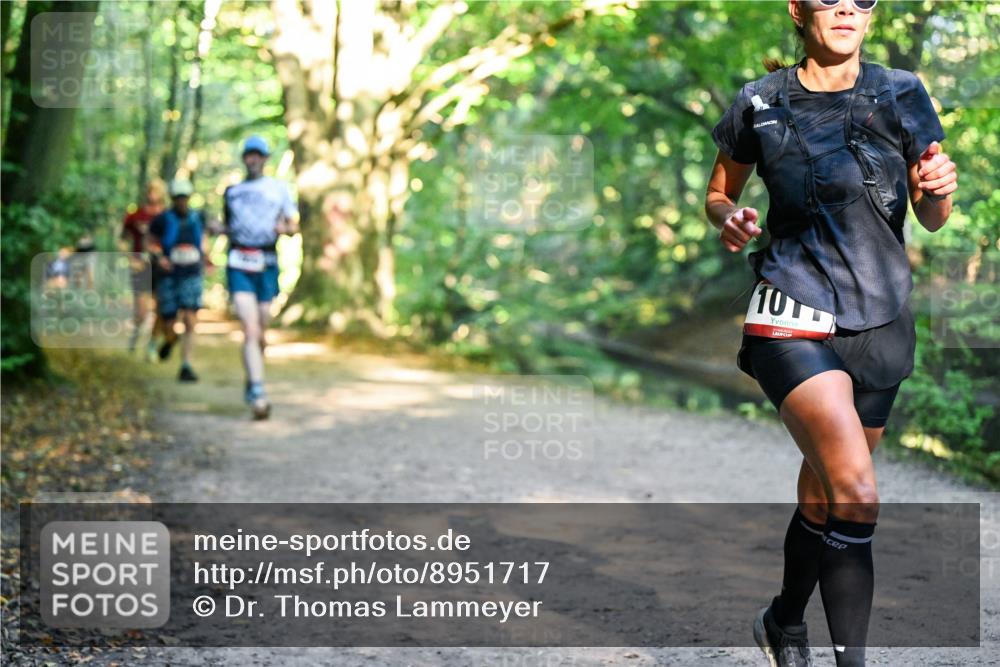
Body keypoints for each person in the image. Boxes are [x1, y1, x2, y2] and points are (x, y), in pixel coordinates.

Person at [704, 1, 956, 665]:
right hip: (792, 308)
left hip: (882, 316)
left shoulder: (901, 93)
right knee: (859, 493)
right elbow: (718, 193)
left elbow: (932, 214)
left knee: (825, 491)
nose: (846, 5)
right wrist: (729, 217)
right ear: (797, 9)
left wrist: (937, 190)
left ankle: (784, 620)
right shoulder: (758, 102)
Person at [223, 135, 299, 419]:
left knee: (262, 328)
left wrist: (286, 228)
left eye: (259, 155)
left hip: (267, 263)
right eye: (249, 155)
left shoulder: (279, 189)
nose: (253, 159)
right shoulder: (232, 192)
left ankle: (253, 369)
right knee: (250, 329)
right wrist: (218, 229)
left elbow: (293, 224)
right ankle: (257, 391)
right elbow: (229, 226)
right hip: (239, 263)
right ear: (244, 158)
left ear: (265, 159)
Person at [148, 179, 210, 382]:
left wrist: (206, 257)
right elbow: (150, 242)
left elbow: (204, 239)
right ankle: (170, 340)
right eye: (178, 198)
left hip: (192, 273)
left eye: (184, 197)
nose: (181, 201)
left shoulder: (198, 217)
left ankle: (186, 365)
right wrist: (160, 258)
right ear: (173, 198)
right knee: (168, 321)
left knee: (191, 319)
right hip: (169, 276)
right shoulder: (162, 219)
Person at [121, 179, 168, 357]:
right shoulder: (135, 216)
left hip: (161, 266)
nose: (152, 194)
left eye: (155, 190)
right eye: (149, 190)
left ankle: (152, 345)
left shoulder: (167, 216)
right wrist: (129, 258)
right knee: (141, 310)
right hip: (140, 265)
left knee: (162, 308)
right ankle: (134, 336)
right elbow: (123, 239)